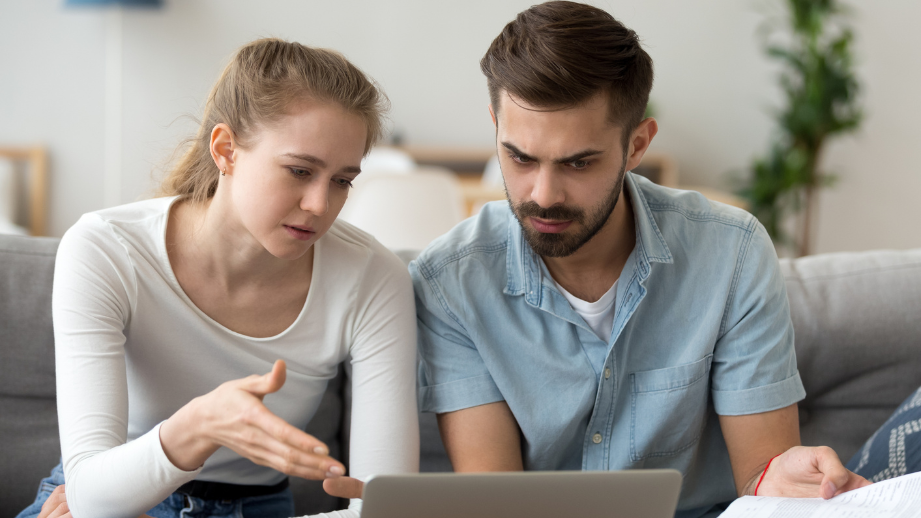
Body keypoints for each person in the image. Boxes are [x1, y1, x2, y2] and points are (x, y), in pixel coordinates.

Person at [410, 3, 874, 517]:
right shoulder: (449, 281)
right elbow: (497, 504)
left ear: (637, 145)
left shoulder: (732, 252)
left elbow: (759, 479)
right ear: (496, 126)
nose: (543, 194)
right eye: (520, 157)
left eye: (578, 162)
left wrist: (784, 481)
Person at [19, 38, 418, 518]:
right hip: (126, 498)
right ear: (226, 149)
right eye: (298, 170)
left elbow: (387, 506)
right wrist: (200, 425)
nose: (319, 205)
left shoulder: (373, 278)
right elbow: (93, 498)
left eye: (341, 181)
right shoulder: (106, 249)